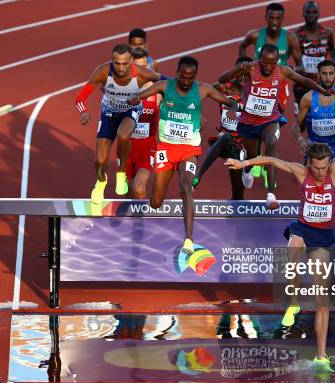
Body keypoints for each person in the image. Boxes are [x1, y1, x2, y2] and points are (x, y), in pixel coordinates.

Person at [225, 111, 335, 375]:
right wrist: (243, 164)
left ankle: (321, 356)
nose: (321, 172)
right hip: (302, 228)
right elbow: (270, 158)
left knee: (322, 300)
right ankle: (292, 301)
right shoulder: (302, 173)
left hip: (323, 237)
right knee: (293, 249)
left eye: (324, 167)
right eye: (317, 167)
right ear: (309, 163)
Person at [127, 56, 237, 254]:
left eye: (190, 77)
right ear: (177, 73)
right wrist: (134, 99)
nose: (186, 81)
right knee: (155, 202)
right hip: (166, 150)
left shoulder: (203, 89)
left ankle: (188, 239)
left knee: (186, 188)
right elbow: (141, 95)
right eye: (183, 77)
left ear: (195, 76)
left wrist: (233, 109)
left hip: (189, 150)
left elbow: (230, 102)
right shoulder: (164, 86)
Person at [219, 44, 332, 209]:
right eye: (264, 62)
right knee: (252, 154)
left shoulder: (282, 71)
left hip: (269, 119)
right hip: (249, 121)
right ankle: (247, 168)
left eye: (272, 64)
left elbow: (304, 80)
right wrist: (238, 69)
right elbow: (222, 79)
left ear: (277, 62)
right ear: (259, 59)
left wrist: (322, 90)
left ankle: (271, 194)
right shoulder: (251, 68)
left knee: (271, 143)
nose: (267, 67)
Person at [75, 44, 160, 204]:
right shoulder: (102, 72)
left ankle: (121, 173)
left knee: (123, 134)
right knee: (101, 160)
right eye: (117, 63)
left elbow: (166, 84)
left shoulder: (142, 74)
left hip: (131, 110)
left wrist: (179, 102)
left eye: (125, 63)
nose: (120, 68)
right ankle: (100, 182)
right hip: (108, 113)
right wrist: (83, 112)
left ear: (132, 62)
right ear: (111, 60)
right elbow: (81, 97)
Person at [192, 56, 253, 199]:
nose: (242, 76)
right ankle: (197, 178)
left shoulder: (255, 93)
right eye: (239, 71)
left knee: (238, 195)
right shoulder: (223, 88)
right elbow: (197, 93)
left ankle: (246, 171)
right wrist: (196, 113)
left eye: (246, 72)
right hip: (224, 142)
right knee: (225, 137)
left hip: (243, 146)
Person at [293, 60, 335, 162]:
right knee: (306, 178)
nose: (328, 78)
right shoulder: (308, 98)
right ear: (318, 75)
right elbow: (296, 125)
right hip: (315, 148)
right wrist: (300, 140)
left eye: (331, 73)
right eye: (324, 74)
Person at [126, 48, 161, 199]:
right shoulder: (122, 91)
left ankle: (142, 222)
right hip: (126, 149)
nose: (141, 70)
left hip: (147, 150)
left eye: (144, 67)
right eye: (137, 67)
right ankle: (131, 221)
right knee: (128, 194)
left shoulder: (158, 92)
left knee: (139, 190)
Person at [293, 1, 335, 110]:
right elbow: (290, 56)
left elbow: (332, 48)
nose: (311, 15)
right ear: (303, 14)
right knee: (301, 122)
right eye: (308, 12)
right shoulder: (296, 35)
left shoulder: (327, 33)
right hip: (302, 86)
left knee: (320, 117)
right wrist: (296, 69)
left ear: (318, 14)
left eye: (314, 12)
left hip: (322, 85)